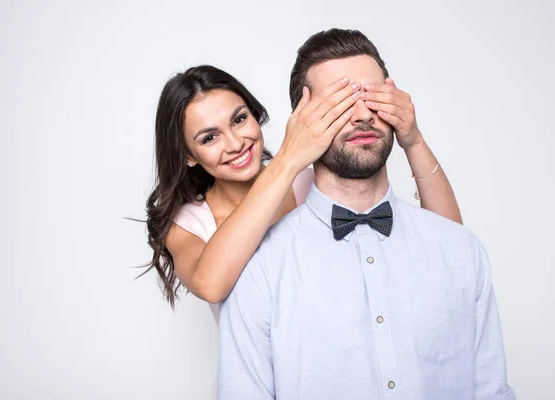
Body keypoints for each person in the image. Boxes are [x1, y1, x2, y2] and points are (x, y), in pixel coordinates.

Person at [217, 28, 515, 400]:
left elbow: (491, 391)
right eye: (339, 103)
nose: (361, 116)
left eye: (374, 98)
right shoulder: (260, 271)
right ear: (303, 120)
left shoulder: (460, 251)